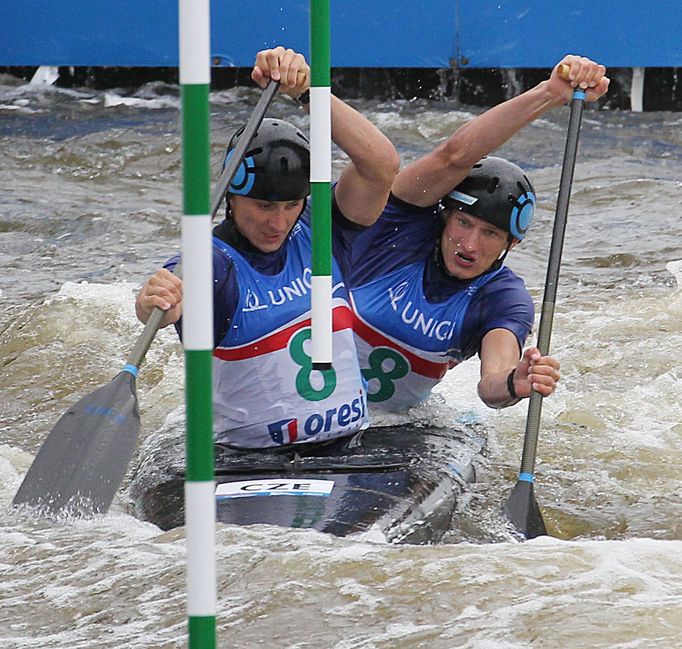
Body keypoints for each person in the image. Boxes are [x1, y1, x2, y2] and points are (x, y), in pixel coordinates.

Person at [135, 46, 400, 448]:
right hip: (247, 456)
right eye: (263, 206)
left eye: (290, 205)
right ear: (231, 197)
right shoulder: (214, 261)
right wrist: (154, 302)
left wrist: (310, 92)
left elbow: (381, 165)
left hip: (349, 447)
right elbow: (179, 286)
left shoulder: (321, 229)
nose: (277, 223)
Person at [348, 55, 610, 412]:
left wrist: (513, 382)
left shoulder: (502, 297)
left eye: (490, 234)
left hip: (387, 426)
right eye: (464, 223)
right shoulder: (397, 230)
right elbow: (454, 155)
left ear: (511, 244)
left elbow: (492, 383)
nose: (469, 245)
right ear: (444, 216)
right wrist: (550, 93)